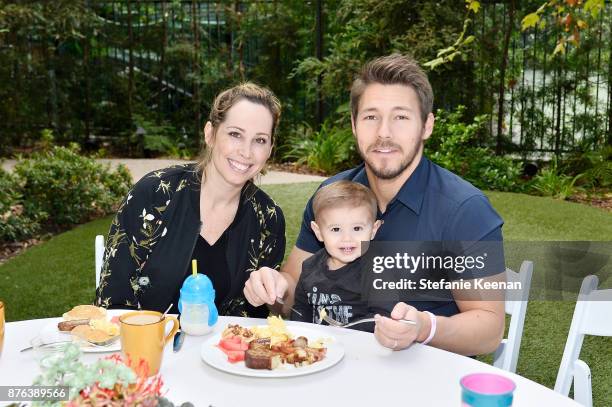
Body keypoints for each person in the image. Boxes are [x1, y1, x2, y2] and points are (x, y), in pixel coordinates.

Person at [244, 54, 506, 356]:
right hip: (332, 370)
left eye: (401, 117)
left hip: (424, 380)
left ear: (426, 126)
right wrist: (273, 286)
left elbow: (488, 330)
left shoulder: (465, 210)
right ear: (354, 125)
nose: (384, 132)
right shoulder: (331, 195)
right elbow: (293, 290)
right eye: (371, 116)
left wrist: (424, 327)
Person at [96, 83, 285, 318]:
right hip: (146, 347)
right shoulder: (155, 195)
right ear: (210, 134)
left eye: (260, 140)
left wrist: (267, 291)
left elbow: (253, 320)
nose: (246, 152)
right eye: (235, 134)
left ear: (269, 149)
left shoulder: (268, 217)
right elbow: (112, 302)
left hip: (221, 352)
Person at [290, 180, 381, 329]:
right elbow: (301, 309)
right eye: (336, 229)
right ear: (318, 232)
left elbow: (382, 318)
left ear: (373, 230)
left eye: (357, 228)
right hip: (319, 347)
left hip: (363, 347)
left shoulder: (378, 271)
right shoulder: (309, 267)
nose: (347, 238)